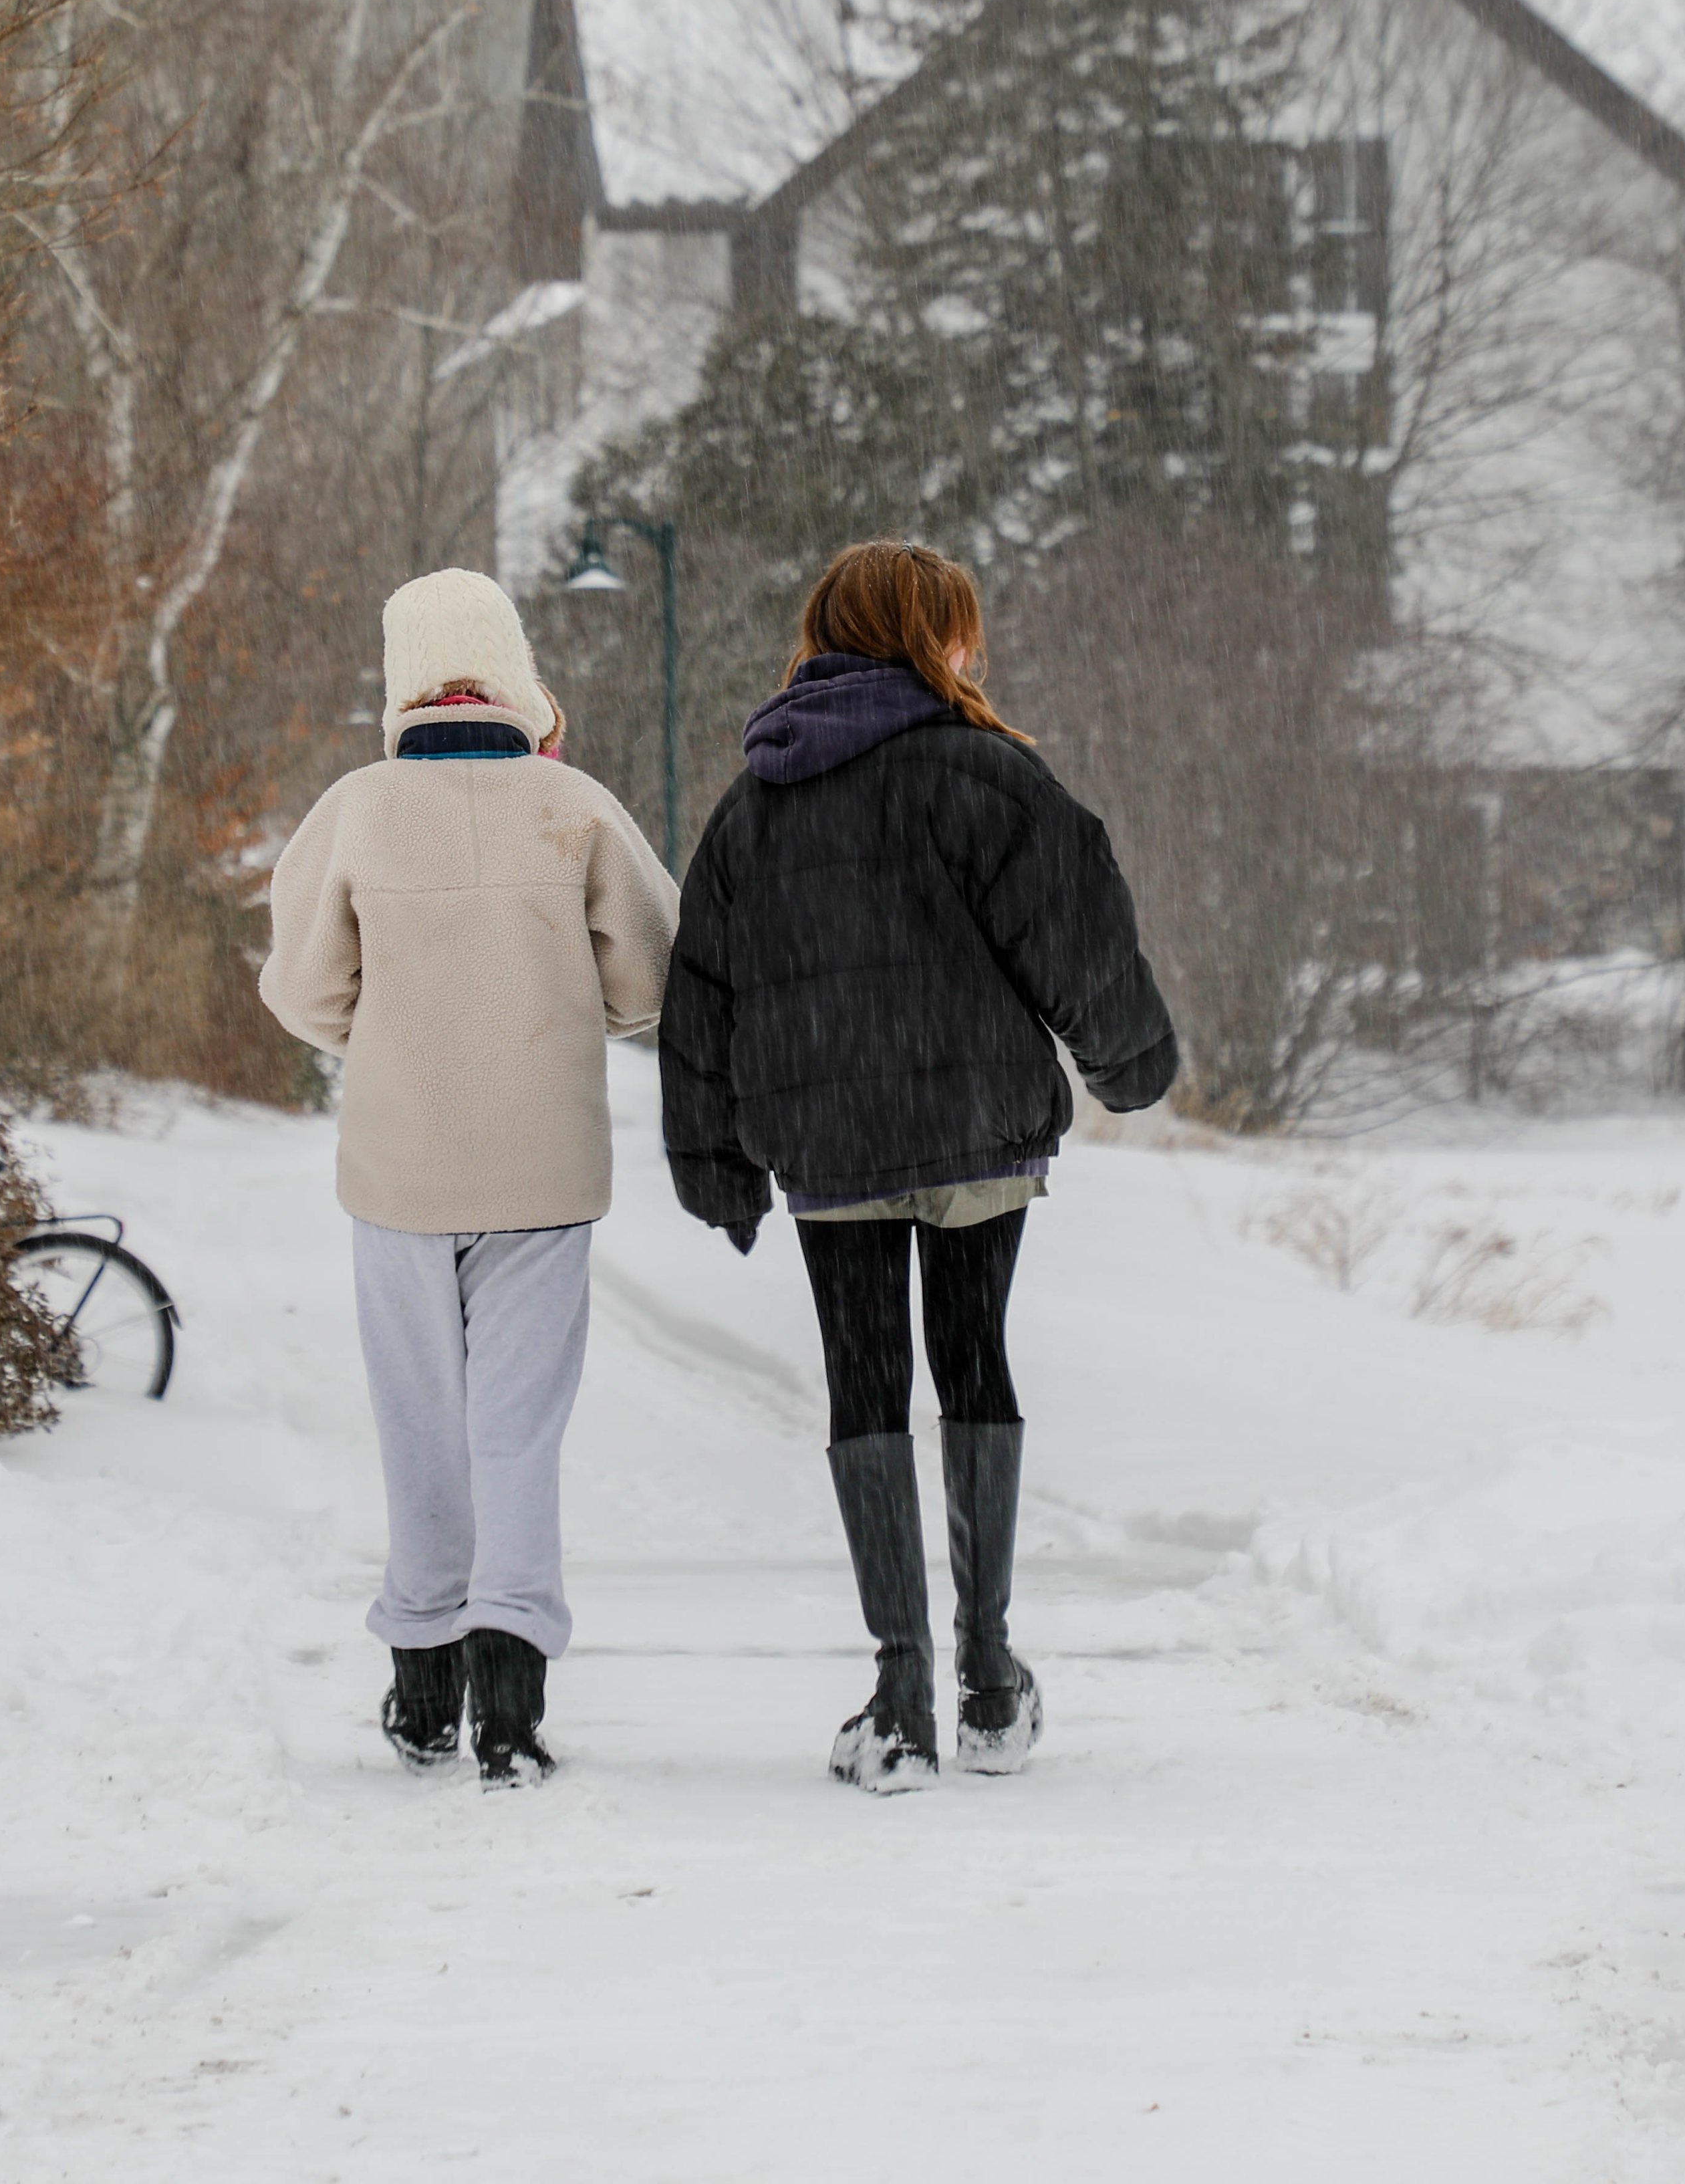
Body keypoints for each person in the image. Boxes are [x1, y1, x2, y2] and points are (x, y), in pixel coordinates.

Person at [660, 540, 1176, 1792]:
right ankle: (990, 1681)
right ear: (934, 634)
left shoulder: (759, 798)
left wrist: (711, 1153)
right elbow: (1078, 926)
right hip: (975, 1130)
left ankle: (898, 1704)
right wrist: (1129, 1063)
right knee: (974, 1356)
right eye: (962, 628)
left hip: (827, 1142)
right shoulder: (986, 775)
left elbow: (703, 992)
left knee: (865, 1380)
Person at [261, 568, 680, 1786]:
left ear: (400, 682)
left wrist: (391, 1033)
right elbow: (650, 979)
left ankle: (420, 1679)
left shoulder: (355, 811)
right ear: (516, 673)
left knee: (418, 1427)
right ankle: (511, 1689)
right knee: (518, 1432)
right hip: (543, 1171)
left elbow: (301, 989)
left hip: (397, 1168)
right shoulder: (578, 808)